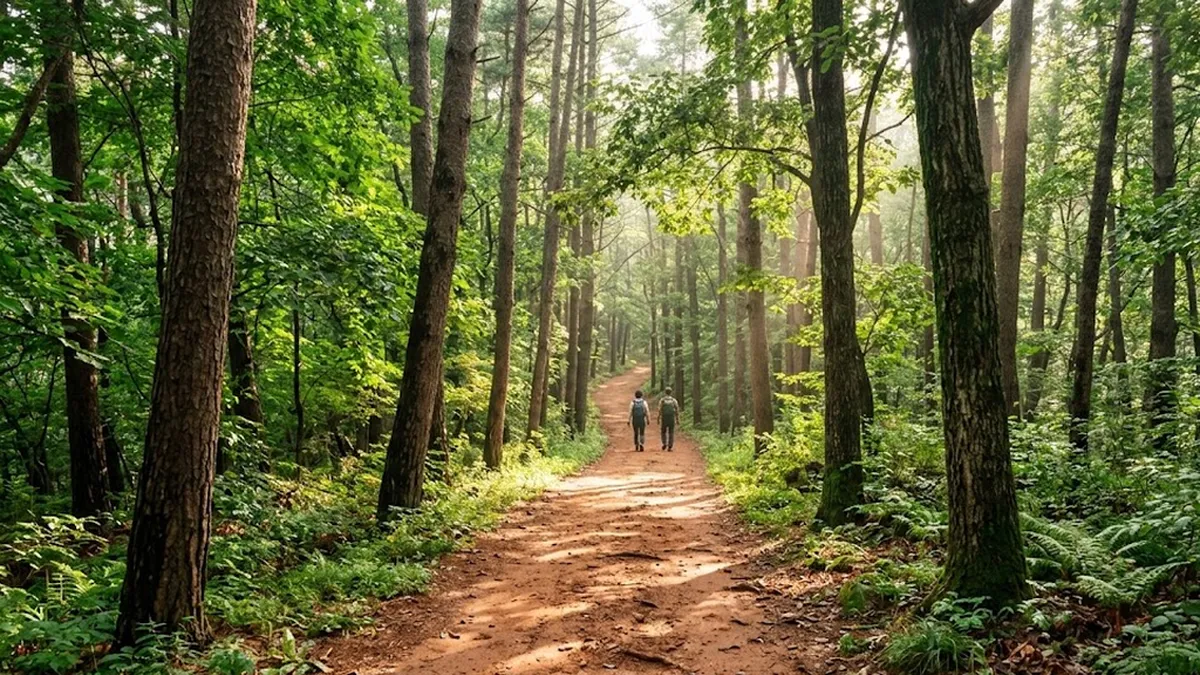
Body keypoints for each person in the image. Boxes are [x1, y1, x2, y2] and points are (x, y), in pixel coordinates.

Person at [658, 387, 679, 451]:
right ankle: (670, 446)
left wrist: (658, 418)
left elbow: (659, 409)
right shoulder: (673, 400)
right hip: (671, 418)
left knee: (663, 431)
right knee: (671, 432)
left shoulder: (662, 400)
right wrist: (677, 419)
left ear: (665, 392)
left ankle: (664, 443)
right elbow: (677, 410)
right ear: (671, 392)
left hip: (664, 418)